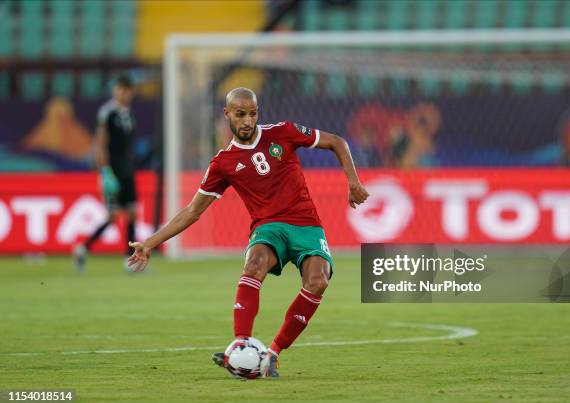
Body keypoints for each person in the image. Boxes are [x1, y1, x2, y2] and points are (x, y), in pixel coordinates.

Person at [127, 87, 369, 377]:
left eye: (252, 114)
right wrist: (151, 243)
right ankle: (241, 345)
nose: (247, 121)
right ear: (227, 114)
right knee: (254, 264)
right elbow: (193, 211)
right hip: (268, 228)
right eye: (240, 114)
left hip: (306, 224)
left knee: (318, 280)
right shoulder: (222, 163)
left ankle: (272, 354)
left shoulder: (283, 132)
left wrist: (353, 182)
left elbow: (337, 142)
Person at [73, 75, 137, 272]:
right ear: (114, 91)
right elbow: (100, 144)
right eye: (119, 89)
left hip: (127, 171)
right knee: (112, 216)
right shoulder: (107, 113)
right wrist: (105, 172)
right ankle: (83, 249)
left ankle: (130, 262)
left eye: (126, 90)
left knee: (132, 214)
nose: (122, 93)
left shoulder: (128, 114)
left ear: (131, 92)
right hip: (113, 172)